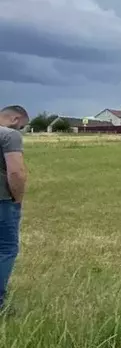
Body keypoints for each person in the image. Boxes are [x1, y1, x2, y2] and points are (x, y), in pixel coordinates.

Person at [0, 105, 28, 314]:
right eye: (23, 126)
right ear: (15, 119)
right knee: (6, 249)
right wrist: (17, 198)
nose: (22, 130)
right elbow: (16, 172)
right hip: (2, 202)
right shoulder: (9, 136)